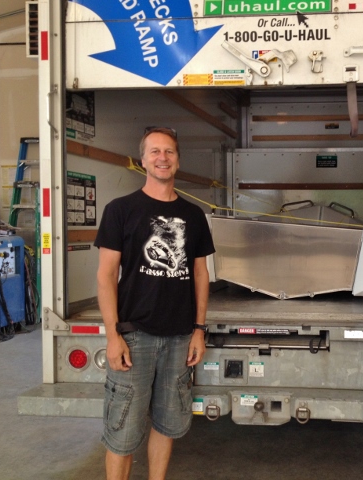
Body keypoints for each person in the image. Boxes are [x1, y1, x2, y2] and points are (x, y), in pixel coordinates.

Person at [95, 127, 215, 480]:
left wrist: (199, 330)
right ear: (143, 160)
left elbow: (201, 274)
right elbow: (106, 276)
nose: (163, 158)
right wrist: (113, 336)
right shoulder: (120, 210)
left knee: (167, 423)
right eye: (155, 152)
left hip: (180, 337)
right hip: (134, 336)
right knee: (123, 431)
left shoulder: (194, 215)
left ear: (178, 160)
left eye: (169, 152)